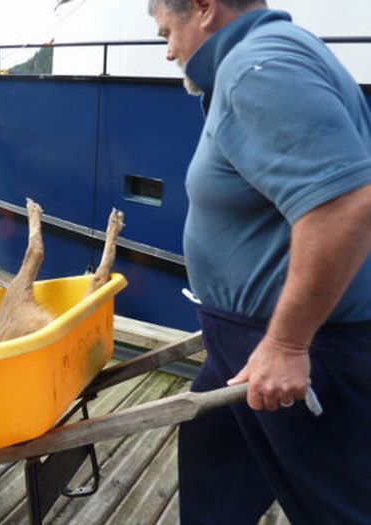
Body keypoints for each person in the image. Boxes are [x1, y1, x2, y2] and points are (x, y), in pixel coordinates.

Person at [148, 0, 371, 523]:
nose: (168, 52)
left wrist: (288, 345)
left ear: (203, 8)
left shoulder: (258, 68)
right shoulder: (266, 56)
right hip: (242, 341)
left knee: (338, 505)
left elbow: (343, 206)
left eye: (166, 34)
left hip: (306, 347)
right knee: (214, 457)